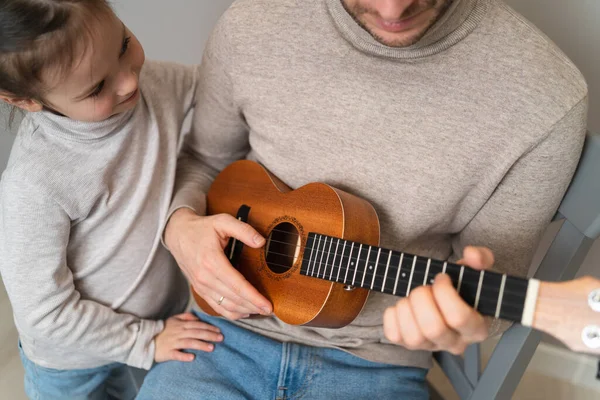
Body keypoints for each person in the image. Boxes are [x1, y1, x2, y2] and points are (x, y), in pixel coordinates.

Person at [137, 0, 588, 399]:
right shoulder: (253, 22)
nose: (392, 10)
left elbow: (493, 293)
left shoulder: (546, 97)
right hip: (217, 335)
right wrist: (180, 226)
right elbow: (204, 160)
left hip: (375, 364)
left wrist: (462, 320)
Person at [0, 1, 224, 399]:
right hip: (73, 364)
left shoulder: (154, 82)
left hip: (161, 325)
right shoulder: (33, 182)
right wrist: (144, 339)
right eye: (96, 88)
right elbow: (45, 313)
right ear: (24, 100)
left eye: (123, 45)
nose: (128, 83)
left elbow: (221, 91)